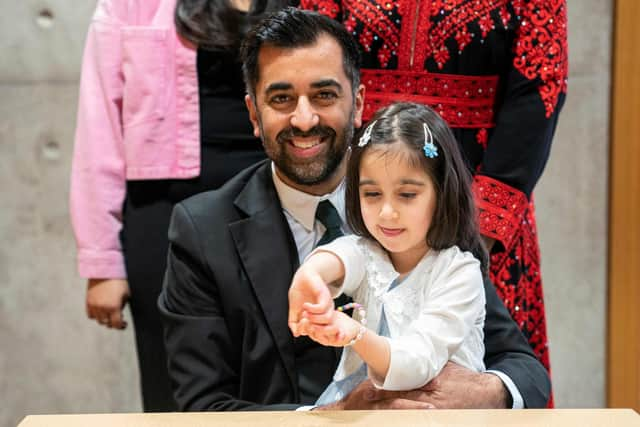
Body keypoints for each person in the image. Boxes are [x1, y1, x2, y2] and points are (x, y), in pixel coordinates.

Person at [159, 7, 550, 411]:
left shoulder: (422, 216)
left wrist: (486, 392)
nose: (305, 118)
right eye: (281, 99)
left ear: (359, 102)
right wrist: (334, 418)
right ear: (254, 114)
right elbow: (202, 406)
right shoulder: (202, 231)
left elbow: (524, 370)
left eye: (324, 95)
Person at [299, 0, 569, 381]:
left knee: (483, 373)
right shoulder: (364, 240)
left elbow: (538, 88)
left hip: (478, 205)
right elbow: (314, 48)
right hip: (363, 183)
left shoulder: (462, 265)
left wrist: (477, 232)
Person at [70, 0, 289, 411]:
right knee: (174, 376)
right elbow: (98, 125)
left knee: (276, 371)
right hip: (163, 211)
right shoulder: (130, 6)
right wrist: (102, 263)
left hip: (277, 203)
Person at [288, 102, 488, 405]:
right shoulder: (366, 250)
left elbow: (418, 362)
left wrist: (355, 334)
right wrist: (308, 277)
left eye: (407, 195)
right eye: (372, 194)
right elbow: (338, 257)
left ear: (443, 191)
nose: (387, 213)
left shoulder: (459, 272)